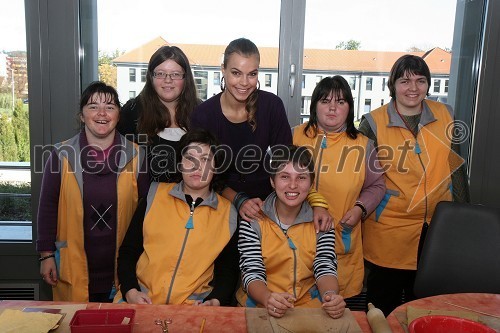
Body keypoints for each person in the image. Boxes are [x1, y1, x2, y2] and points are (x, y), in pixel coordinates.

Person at [190, 38, 331, 305]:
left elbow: (289, 169)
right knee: (225, 284)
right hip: (219, 205)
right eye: (236, 73)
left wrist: (316, 203)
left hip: (266, 210)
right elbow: (205, 174)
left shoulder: (271, 106)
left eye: (252, 74)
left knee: (265, 276)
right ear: (222, 70)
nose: (244, 82)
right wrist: (238, 199)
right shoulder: (204, 114)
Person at [358, 54, 470, 316]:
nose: (413, 88)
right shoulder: (372, 123)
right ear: (392, 85)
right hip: (389, 229)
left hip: (437, 228)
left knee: (425, 307)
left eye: (421, 81)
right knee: (383, 309)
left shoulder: (445, 114)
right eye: (405, 81)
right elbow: (361, 179)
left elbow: (457, 170)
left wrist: (462, 220)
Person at [37, 81, 149, 302]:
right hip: (71, 269)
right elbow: (48, 207)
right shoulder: (61, 155)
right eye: (93, 106)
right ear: (81, 115)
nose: (101, 113)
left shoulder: (137, 156)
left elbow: (147, 214)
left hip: (125, 274)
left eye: (109, 106)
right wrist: (46, 255)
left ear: (119, 114)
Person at [114, 128, 238, 305]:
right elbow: (128, 251)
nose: (197, 167)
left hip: (193, 309)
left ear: (215, 167)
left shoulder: (228, 213)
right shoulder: (154, 195)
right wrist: (131, 291)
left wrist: (215, 301)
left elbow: (228, 269)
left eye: (205, 159)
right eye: (190, 159)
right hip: (140, 301)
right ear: (180, 163)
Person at [293, 76, 386, 301]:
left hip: (340, 243)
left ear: (349, 108)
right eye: (325, 101)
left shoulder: (363, 144)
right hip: (296, 243)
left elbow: (377, 185)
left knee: (336, 312)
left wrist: (360, 209)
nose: (332, 108)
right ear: (314, 105)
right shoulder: (294, 135)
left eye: (341, 102)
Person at [237, 145, 346, 319]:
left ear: (311, 183)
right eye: (284, 177)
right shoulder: (253, 220)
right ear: (272, 182)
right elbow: (251, 271)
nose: (293, 185)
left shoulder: (321, 220)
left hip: (308, 307)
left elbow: (325, 265)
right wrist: (267, 298)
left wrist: (331, 296)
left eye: (301, 177)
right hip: (259, 306)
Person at [117, 45, 199, 183]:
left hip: (191, 202)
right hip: (144, 202)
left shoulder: (201, 113)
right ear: (151, 77)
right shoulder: (132, 112)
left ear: (186, 78)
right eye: (160, 73)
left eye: (175, 74)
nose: (168, 80)